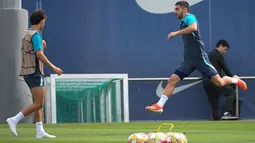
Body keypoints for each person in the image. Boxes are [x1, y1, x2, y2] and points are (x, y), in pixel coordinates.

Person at [145, 1, 247, 113]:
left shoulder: (190, 17)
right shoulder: (182, 22)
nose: (174, 12)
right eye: (175, 9)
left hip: (200, 59)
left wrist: (177, 33)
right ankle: (160, 105)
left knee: (220, 83)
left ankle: (235, 79)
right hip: (188, 61)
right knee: (172, 80)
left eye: (177, 9)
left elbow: (193, 27)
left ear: (184, 10)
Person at [6, 9, 63, 138]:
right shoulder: (36, 35)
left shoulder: (27, 33)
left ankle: (39, 131)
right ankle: (14, 119)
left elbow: (32, 51)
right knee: (39, 103)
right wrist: (54, 68)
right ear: (41, 21)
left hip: (27, 71)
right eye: (44, 22)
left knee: (37, 102)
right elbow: (39, 55)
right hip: (35, 72)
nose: (44, 24)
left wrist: (41, 47)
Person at [203, 40, 236, 120]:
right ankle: (227, 113)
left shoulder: (208, 55)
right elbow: (225, 68)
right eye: (225, 49)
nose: (225, 52)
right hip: (215, 81)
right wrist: (233, 77)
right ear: (220, 46)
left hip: (206, 82)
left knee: (215, 104)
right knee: (231, 92)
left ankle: (216, 120)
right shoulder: (218, 55)